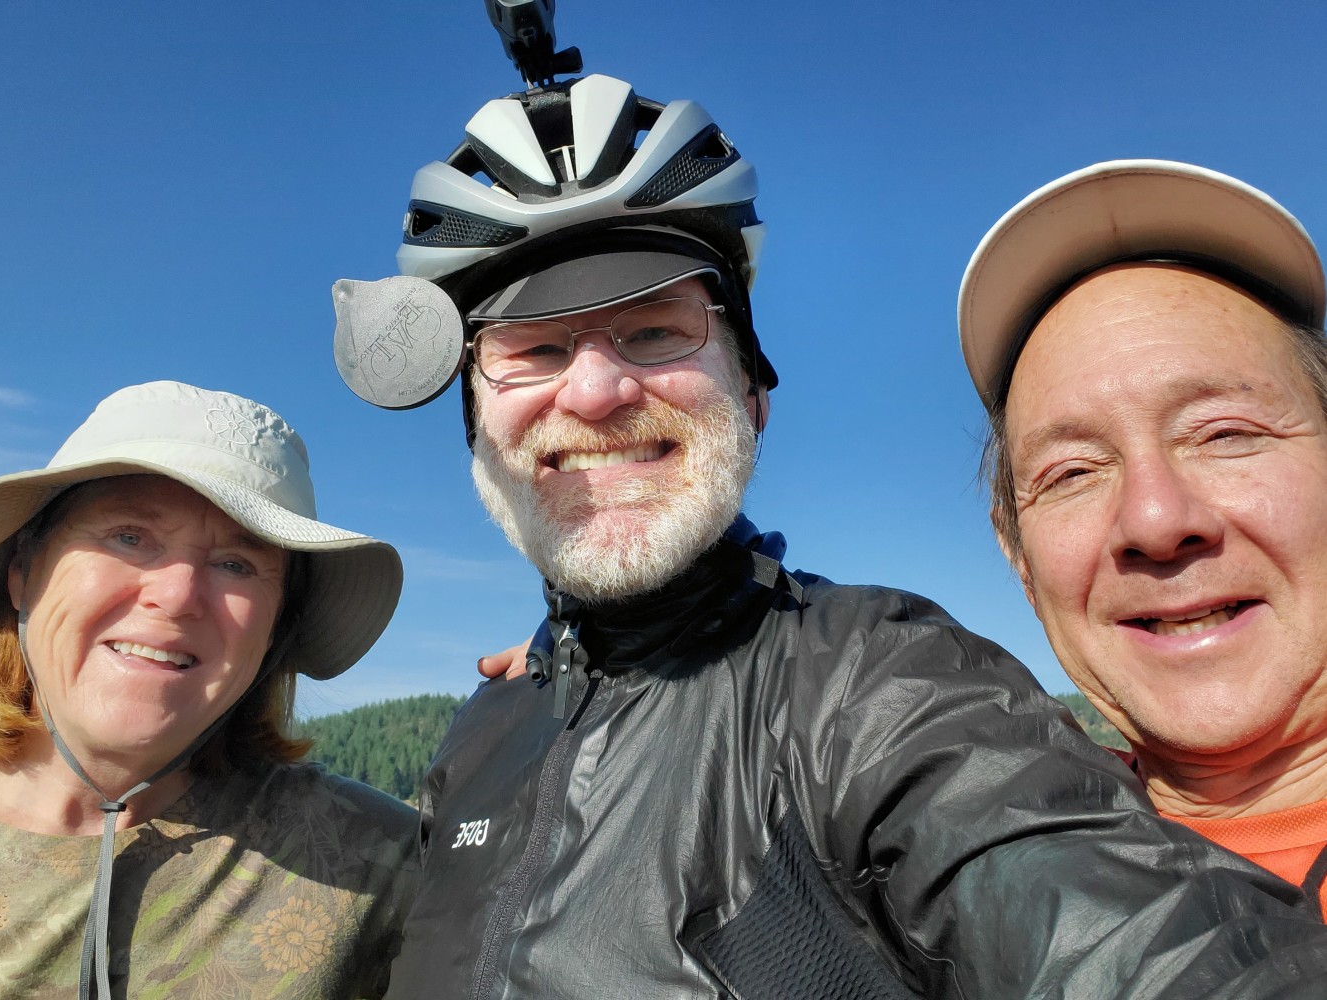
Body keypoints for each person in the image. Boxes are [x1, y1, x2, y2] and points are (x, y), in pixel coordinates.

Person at [346, 74, 1327, 999]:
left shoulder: (878, 688)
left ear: (753, 396)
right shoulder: (481, 735)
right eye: (533, 347)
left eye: (655, 330)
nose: (597, 390)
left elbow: (1123, 934)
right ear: (475, 425)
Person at [959, 159, 1327, 918]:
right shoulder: (952, 882)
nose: (1156, 522)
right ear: (1019, 560)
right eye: (1071, 473)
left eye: (1224, 434)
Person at [0, 380, 416, 999]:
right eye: (129, 536)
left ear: (275, 630)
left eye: (236, 565)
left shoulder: (380, 861)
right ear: (22, 574)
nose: (177, 596)